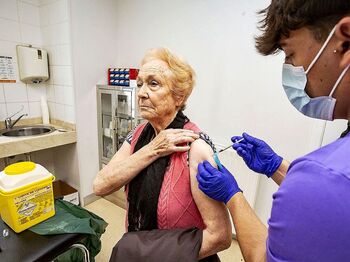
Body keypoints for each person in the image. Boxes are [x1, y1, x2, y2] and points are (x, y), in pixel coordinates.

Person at [196, 1, 350, 262]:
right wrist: (276, 166)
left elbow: (261, 257)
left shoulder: (324, 179)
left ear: (345, 40)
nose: (289, 70)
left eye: (290, 54)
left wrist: (232, 195)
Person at [93, 47, 232, 260]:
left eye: (153, 83)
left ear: (179, 97)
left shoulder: (195, 148)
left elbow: (220, 237)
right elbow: (100, 185)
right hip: (141, 250)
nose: (141, 93)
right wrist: (154, 148)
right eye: (139, 84)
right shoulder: (138, 135)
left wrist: (149, 256)